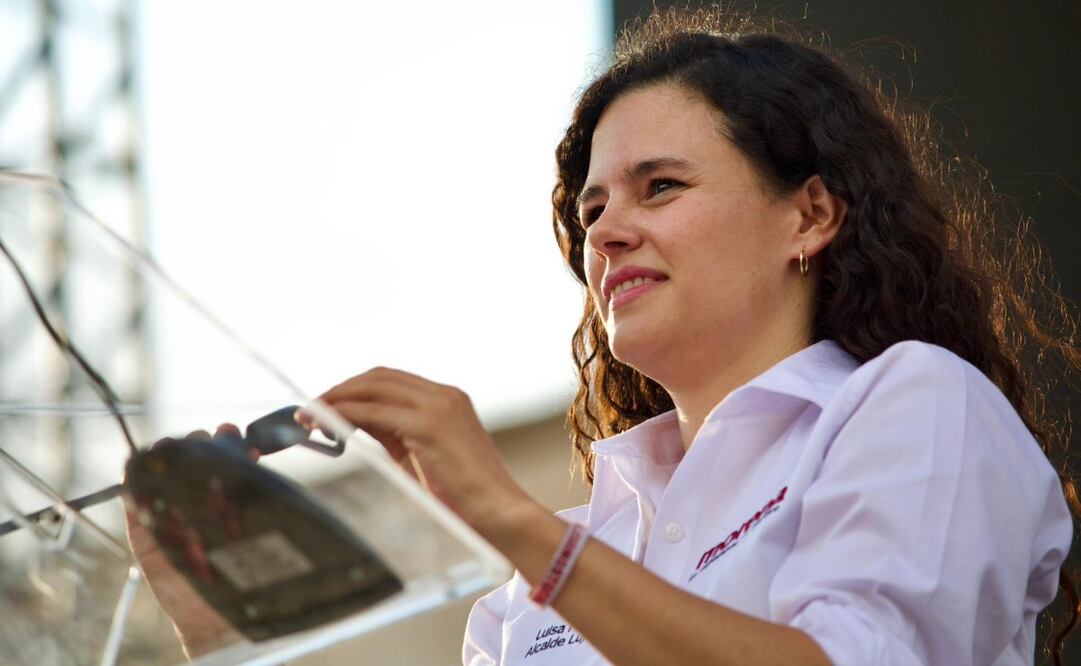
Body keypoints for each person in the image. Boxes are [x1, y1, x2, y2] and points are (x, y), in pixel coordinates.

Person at [130, 5, 1079, 665]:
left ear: (811, 215)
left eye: (659, 187)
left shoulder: (915, 404)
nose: (607, 229)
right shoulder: (570, 551)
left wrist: (511, 524)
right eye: (591, 209)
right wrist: (222, 637)